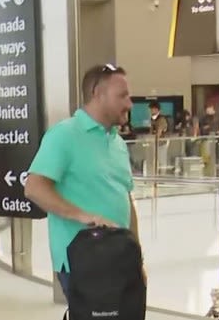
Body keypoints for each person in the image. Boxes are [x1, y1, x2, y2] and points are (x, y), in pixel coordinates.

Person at [24, 63, 141, 299]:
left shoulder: (117, 142)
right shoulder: (63, 135)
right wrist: (83, 216)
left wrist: (136, 256)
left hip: (119, 259)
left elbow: (126, 198)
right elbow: (34, 187)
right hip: (84, 262)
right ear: (97, 94)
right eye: (122, 96)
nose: (129, 104)